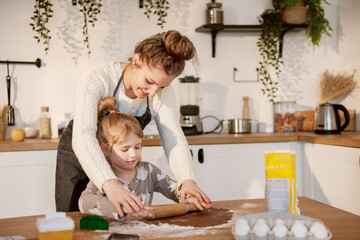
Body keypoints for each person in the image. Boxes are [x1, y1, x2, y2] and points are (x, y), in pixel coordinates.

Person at [56, 30, 211, 217]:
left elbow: (174, 140)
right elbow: (84, 135)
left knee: (121, 223)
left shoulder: (161, 94)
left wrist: (187, 180)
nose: (154, 92)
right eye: (149, 81)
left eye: (162, 86)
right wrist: (110, 183)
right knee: (76, 223)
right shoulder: (98, 77)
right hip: (79, 160)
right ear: (136, 61)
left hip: (123, 169)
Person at [79, 96, 200, 220]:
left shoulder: (149, 171)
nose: (133, 154)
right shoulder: (104, 176)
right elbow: (84, 202)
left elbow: (174, 190)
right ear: (105, 149)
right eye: (125, 149)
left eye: (137, 147)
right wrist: (121, 209)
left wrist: (189, 197)